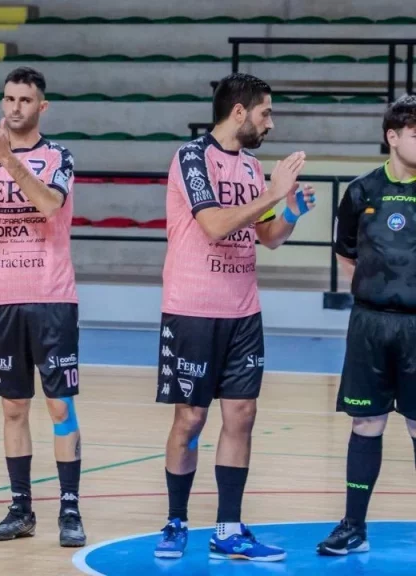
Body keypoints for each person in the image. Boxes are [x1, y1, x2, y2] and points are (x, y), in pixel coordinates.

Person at [152, 72, 315, 561]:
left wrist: (290, 211)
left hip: (243, 310)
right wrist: (273, 193)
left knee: (242, 415)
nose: (271, 122)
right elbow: (214, 224)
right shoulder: (191, 158)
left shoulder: (250, 167)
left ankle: (228, 528)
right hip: (192, 309)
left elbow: (266, 236)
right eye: (266, 112)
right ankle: (176, 519)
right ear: (239, 111)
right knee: (191, 418)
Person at [0, 67, 83, 548]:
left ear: (41, 107)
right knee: (13, 408)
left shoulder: (58, 156)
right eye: (9, 99)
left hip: (51, 298)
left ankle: (69, 508)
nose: (14, 108)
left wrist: (8, 160)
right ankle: (21, 508)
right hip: (3, 298)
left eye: (24, 100)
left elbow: (49, 205)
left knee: (59, 404)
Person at [316, 94, 416, 556]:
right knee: (366, 423)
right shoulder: (361, 192)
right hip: (370, 327)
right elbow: (346, 254)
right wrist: (375, 294)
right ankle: (353, 527)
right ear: (392, 136)